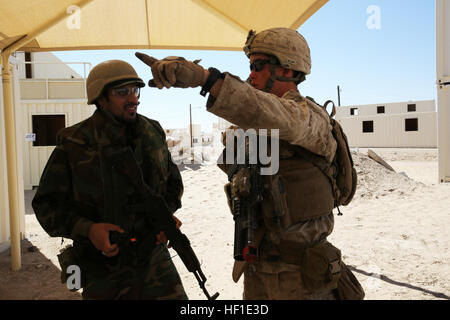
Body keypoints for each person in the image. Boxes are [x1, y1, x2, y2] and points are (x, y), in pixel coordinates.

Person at [135, 27, 365, 300]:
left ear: (288, 70)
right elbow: (248, 127)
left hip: (302, 278)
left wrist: (205, 79)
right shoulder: (255, 126)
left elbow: (278, 117)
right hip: (259, 270)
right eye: (250, 66)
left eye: (258, 65)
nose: (251, 73)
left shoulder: (309, 118)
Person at [32, 59, 188, 300]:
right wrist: (88, 229)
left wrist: (164, 217)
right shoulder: (74, 143)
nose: (133, 98)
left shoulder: (152, 132)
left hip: (153, 260)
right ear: (100, 98)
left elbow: (173, 185)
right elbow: (46, 205)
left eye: (134, 91)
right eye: (122, 92)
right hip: (102, 269)